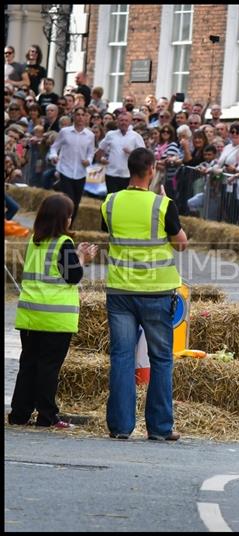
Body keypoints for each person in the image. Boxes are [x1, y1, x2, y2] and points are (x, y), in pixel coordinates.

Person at [101, 147, 188, 441]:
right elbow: (181, 244)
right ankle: (160, 428)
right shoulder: (163, 205)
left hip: (120, 291)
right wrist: (167, 206)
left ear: (129, 169)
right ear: (151, 169)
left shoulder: (110, 203)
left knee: (122, 357)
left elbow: (110, 233)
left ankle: (120, 427)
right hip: (156, 291)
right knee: (161, 358)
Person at [9, 193, 98, 428]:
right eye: (69, 217)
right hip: (55, 317)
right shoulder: (63, 243)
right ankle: (47, 416)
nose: (70, 221)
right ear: (63, 220)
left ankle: (19, 414)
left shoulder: (33, 241)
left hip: (30, 314)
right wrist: (83, 256)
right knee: (49, 367)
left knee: (28, 365)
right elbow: (73, 276)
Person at [47, 106, 96, 225]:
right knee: (68, 200)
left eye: (82, 115)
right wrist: (53, 157)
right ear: (73, 117)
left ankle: (69, 227)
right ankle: (61, 225)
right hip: (65, 170)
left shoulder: (90, 135)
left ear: (86, 117)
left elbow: (91, 153)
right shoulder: (65, 132)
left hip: (80, 173)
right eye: (77, 114)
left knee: (76, 202)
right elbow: (54, 147)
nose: (80, 117)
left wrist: (88, 160)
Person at [96, 110, 146, 193]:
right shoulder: (111, 135)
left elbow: (143, 155)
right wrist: (100, 160)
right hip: (111, 174)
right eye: (121, 120)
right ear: (117, 122)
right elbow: (101, 148)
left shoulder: (136, 136)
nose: (123, 123)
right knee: (111, 199)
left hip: (127, 175)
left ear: (130, 122)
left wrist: (131, 152)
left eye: (126, 120)